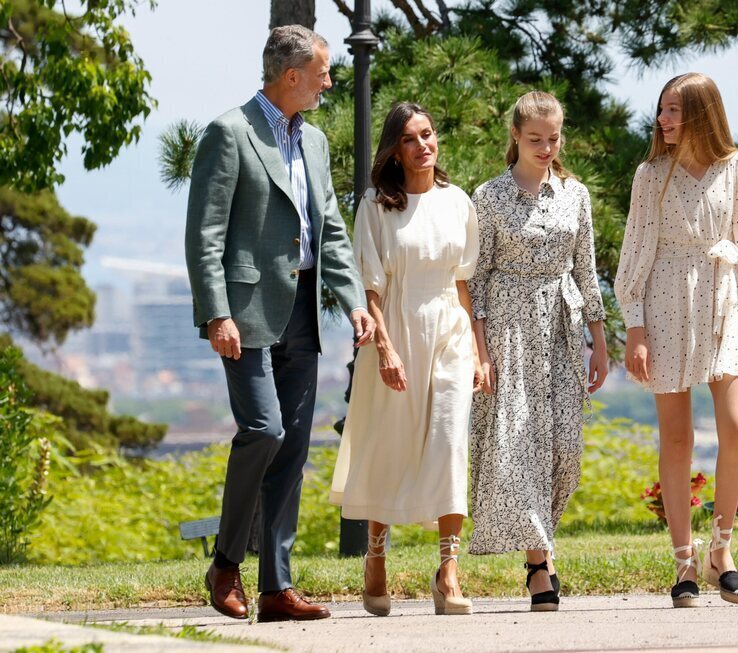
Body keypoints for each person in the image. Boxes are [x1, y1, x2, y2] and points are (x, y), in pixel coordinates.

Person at [185, 25, 374, 622]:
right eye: (322, 71)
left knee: (292, 447)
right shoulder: (229, 132)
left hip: (302, 309)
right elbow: (205, 234)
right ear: (291, 75)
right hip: (245, 312)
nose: (328, 80)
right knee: (263, 430)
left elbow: (331, 230)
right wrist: (216, 312)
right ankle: (225, 562)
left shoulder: (314, 141)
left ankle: (275, 589)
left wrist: (352, 300)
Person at [614, 72, 738, 608]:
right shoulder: (650, 174)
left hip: (725, 300)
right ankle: (684, 563)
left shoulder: (737, 168)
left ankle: (722, 550)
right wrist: (634, 327)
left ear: (701, 114)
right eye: (661, 110)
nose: (662, 120)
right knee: (678, 438)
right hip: (665, 300)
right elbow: (634, 254)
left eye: (673, 111)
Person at [330, 102, 481, 617]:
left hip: (450, 333)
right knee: (391, 446)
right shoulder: (376, 205)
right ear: (395, 149)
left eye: (429, 134)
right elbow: (369, 285)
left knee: (449, 439)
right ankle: (375, 555)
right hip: (395, 327)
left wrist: (479, 354)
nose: (424, 145)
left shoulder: (457, 201)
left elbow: (464, 282)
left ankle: (449, 570)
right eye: (412, 138)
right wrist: (385, 349)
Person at [467, 91, 608, 612]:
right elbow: (476, 282)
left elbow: (586, 269)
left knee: (566, 450)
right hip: (508, 328)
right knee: (518, 447)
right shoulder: (489, 196)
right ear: (515, 137)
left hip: (564, 329)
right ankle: (537, 563)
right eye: (535, 140)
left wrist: (600, 337)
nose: (546, 148)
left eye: (553, 139)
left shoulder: (576, 194)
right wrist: (480, 351)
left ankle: (544, 539)